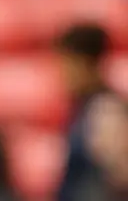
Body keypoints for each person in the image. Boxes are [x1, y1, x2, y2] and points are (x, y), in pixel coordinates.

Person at [55, 23, 111, 201]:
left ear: (86, 63)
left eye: (67, 64)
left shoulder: (106, 112)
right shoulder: (81, 106)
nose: (63, 74)